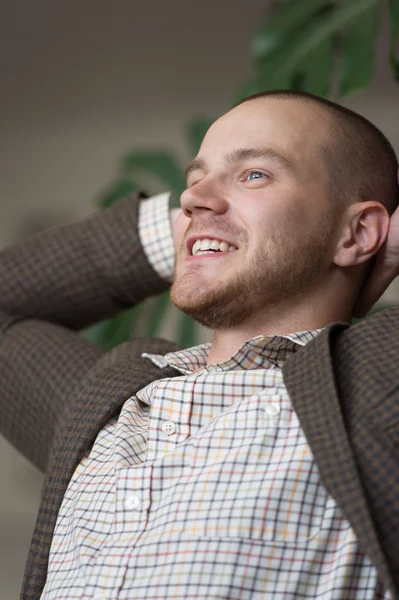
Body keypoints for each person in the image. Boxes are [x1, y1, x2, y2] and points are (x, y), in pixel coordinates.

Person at [0, 90, 398, 600]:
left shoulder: (376, 384)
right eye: (194, 182)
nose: (191, 199)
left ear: (359, 230)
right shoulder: (110, 403)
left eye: (254, 173)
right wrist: (198, 230)